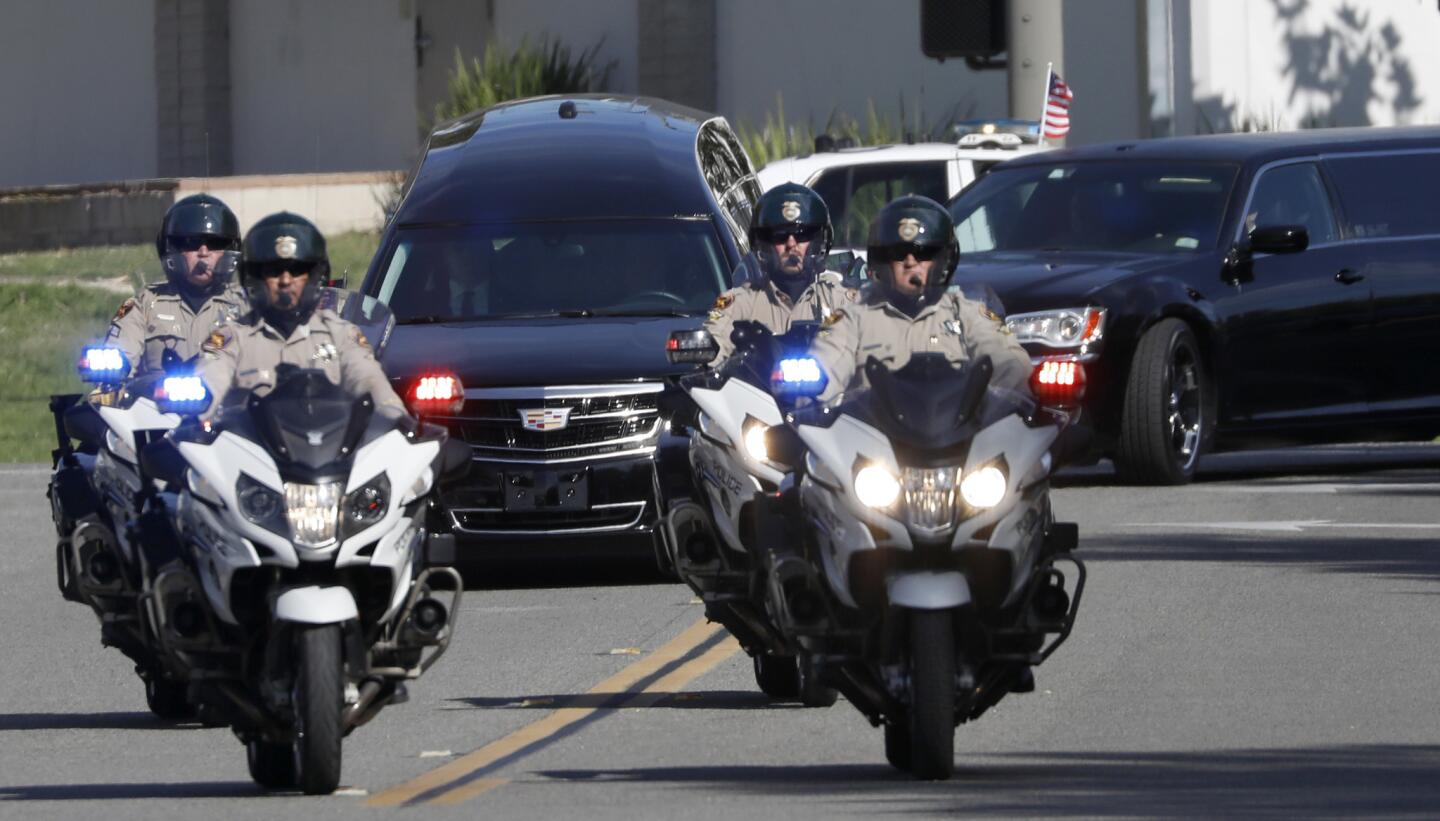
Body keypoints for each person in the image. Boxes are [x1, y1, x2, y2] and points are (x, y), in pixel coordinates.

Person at [810, 195, 1032, 403]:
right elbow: (827, 363)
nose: (910, 262)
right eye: (899, 253)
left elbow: (1009, 364)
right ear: (881, 261)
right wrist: (812, 386)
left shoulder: (966, 313)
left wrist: (1013, 401)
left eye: (923, 253)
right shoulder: (853, 318)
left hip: (959, 438)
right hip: (873, 440)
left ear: (943, 261)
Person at [197, 212, 405, 419]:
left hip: (332, 447)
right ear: (252, 278)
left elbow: (368, 377)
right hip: (250, 449)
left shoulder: (341, 335)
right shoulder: (233, 339)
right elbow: (212, 378)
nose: (286, 280)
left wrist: (395, 416)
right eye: (274, 270)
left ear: (316, 277)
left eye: (297, 270)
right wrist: (201, 407)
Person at [704, 183, 855, 363]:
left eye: (801, 234)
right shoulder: (736, 303)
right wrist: (706, 352)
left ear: (819, 242)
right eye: (780, 235)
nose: (791, 244)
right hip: (756, 392)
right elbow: (712, 342)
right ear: (762, 243)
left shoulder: (840, 301)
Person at [104, 194, 248, 377]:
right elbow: (120, 354)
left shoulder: (247, 307)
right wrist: (115, 370)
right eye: (192, 244)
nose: (203, 253)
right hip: (156, 403)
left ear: (230, 250)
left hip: (230, 403)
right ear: (171, 249)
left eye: (214, 244)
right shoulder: (143, 305)